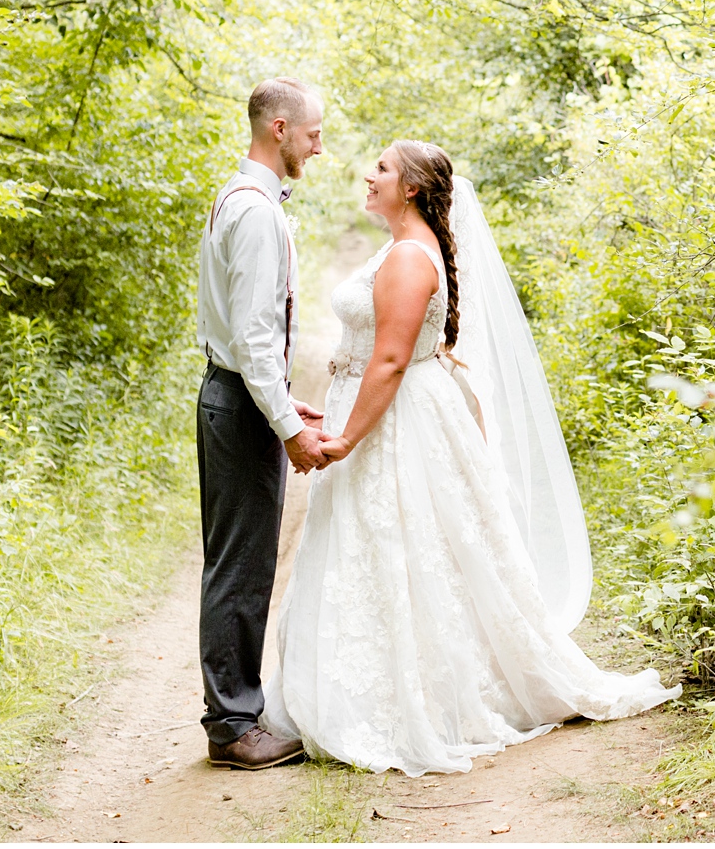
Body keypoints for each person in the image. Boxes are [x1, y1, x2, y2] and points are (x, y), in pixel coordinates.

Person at [261, 140, 679, 774]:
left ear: (410, 189)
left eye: (382, 169)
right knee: (392, 546)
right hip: (390, 414)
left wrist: (345, 440)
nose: (368, 177)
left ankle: (422, 694)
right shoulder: (402, 248)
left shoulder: (407, 257)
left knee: (406, 542)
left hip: (394, 426)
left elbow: (394, 360)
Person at [194, 77, 326, 770]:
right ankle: (233, 727)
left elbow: (245, 337)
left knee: (240, 560)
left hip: (235, 394)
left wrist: (279, 402)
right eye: (312, 133)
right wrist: (287, 425)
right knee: (241, 566)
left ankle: (233, 716)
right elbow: (250, 333)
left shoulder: (242, 199)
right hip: (238, 404)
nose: (319, 144)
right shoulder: (254, 212)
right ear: (279, 129)